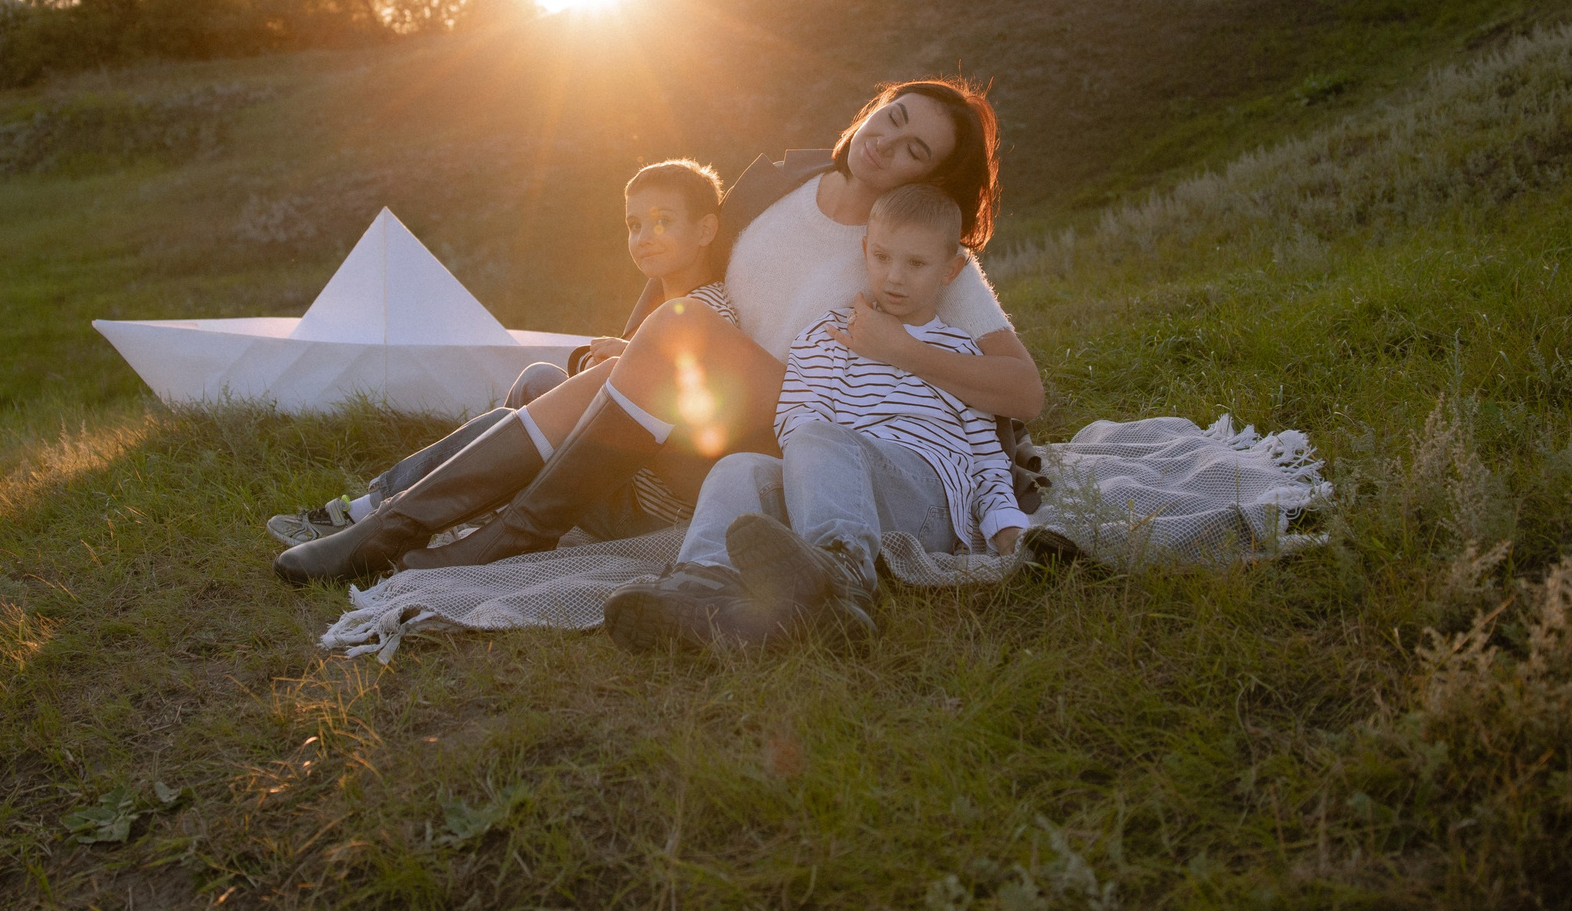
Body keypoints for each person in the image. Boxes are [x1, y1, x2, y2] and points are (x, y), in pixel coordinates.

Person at [272, 78, 1042, 584]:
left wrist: (900, 350)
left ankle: (497, 538)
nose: (887, 142)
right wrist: (635, 346)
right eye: (892, 118)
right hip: (711, 396)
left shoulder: (918, 250)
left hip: (809, 430)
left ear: (929, 181)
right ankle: (390, 523)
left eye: (916, 150)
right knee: (573, 378)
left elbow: (1025, 391)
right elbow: (688, 269)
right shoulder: (781, 181)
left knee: (668, 339)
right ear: (871, 109)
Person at [601, 183, 1030, 652]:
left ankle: (841, 574)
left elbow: (987, 458)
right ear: (865, 251)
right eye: (883, 257)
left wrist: (1006, 529)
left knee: (822, 438)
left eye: (916, 264)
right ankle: (702, 586)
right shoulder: (823, 338)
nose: (895, 277)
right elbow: (796, 420)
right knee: (740, 466)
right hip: (829, 489)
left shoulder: (958, 353)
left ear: (950, 270)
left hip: (921, 502)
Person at [268, 159, 735, 567]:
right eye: (634, 225)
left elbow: (694, 419)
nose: (643, 238)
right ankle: (436, 502)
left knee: (509, 423)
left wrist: (632, 363)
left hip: (645, 509)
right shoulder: (669, 305)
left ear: (705, 230)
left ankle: (369, 513)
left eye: (662, 222)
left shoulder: (708, 312)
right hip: (620, 477)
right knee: (538, 380)